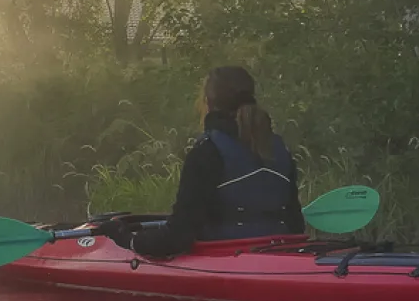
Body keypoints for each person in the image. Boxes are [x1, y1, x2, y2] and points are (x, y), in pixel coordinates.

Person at [97, 66, 303, 257]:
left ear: (207, 102)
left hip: (226, 262)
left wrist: (128, 241)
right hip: (282, 258)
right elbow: (296, 225)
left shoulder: (207, 150)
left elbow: (178, 238)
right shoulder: (280, 148)